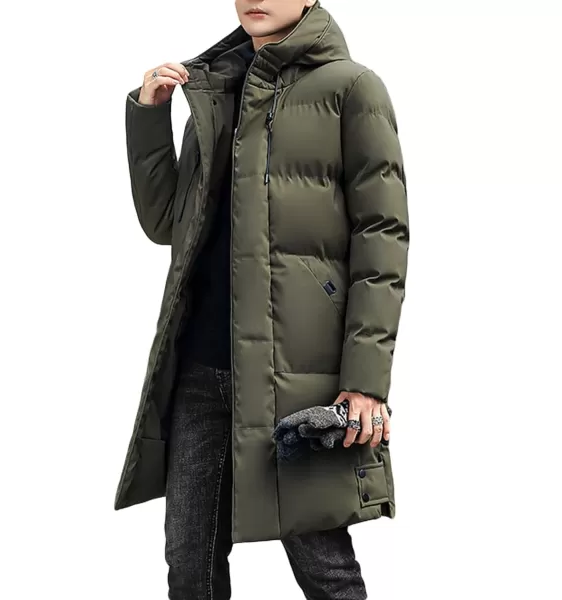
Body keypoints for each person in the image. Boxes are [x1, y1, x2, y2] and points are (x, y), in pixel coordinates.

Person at [114, 1, 409, 598]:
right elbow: (168, 222)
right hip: (201, 371)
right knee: (190, 569)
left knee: (323, 569)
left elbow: (383, 239)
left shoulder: (352, 89)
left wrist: (365, 382)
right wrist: (150, 117)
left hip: (296, 379)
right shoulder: (216, 90)